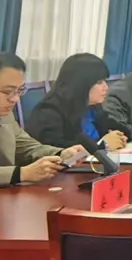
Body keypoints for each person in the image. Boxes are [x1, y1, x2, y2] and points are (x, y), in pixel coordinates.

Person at [0, 53, 86, 187]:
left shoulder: (5, 114)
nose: (15, 99)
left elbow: (26, 146)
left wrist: (60, 154)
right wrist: (22, 173)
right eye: (7, 92)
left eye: (19, 91)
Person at [25, 54, 129, 151]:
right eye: (99, 82)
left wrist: (119, 137)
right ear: (81, 83)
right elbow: (57, 150)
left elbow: (113, 127)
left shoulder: (93, 107)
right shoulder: (49, 112)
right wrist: (102, 145)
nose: (106, 87)